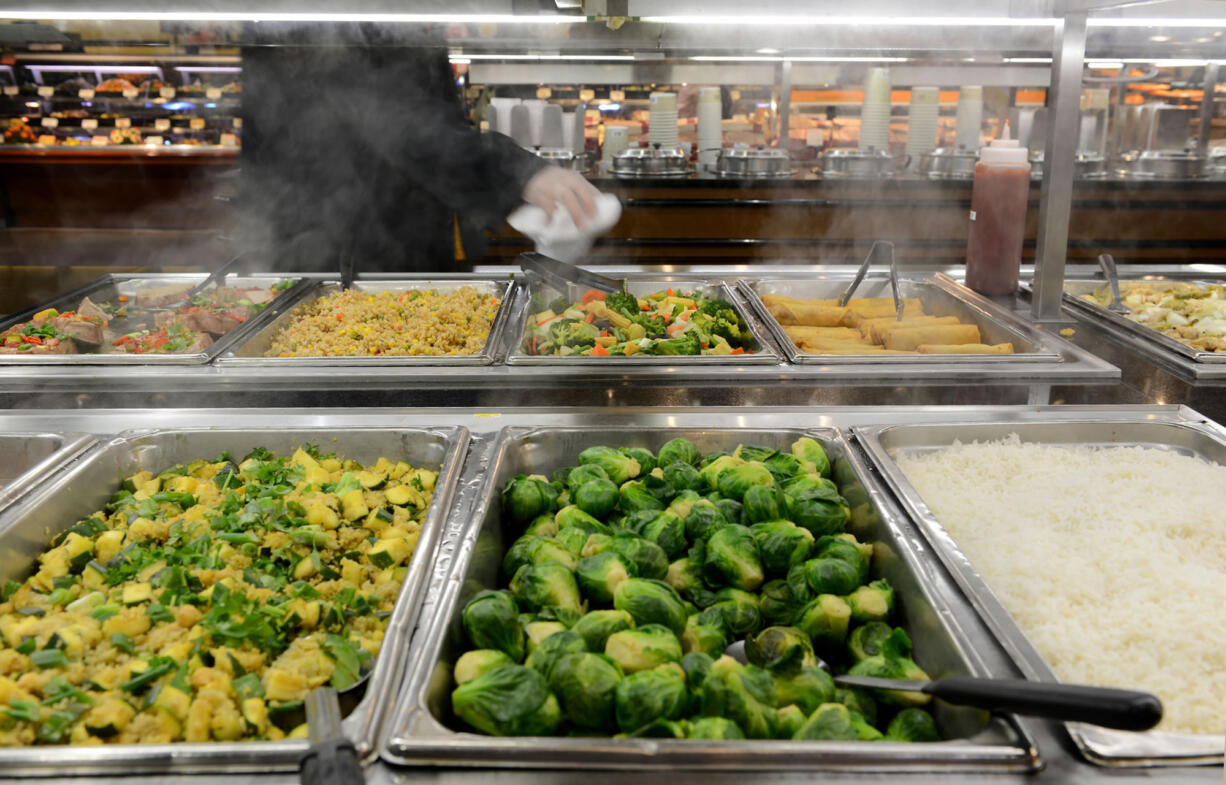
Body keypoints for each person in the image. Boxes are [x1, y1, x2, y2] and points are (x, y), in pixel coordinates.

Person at [238, 24, 599, 272]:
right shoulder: (339, 22)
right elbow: (399, 122)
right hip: (342, 253)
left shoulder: (390, 20)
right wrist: (516, 172)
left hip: (382, 237)